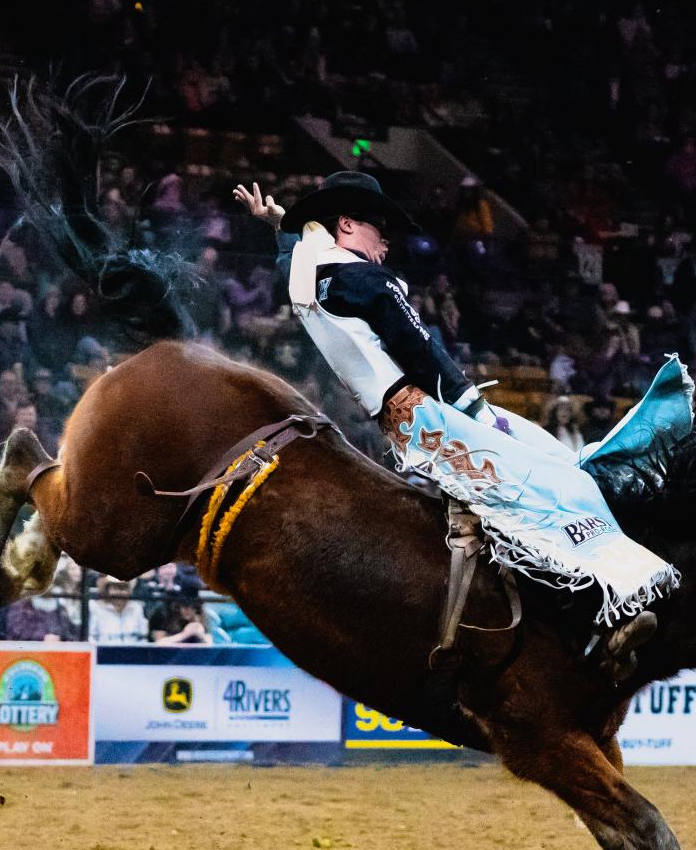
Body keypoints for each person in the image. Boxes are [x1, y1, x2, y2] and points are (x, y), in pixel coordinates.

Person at [238, 174, 672, 677]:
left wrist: (280, 224)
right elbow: (420, 347)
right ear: (347, 225)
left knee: (551, 464)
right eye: (378, 229)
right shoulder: (368, 281)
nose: (386, 242)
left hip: (399, 423)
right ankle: (601, 616)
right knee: (545, 487)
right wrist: (477, 411)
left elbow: (294, 255)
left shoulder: (308, 275)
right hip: (429, 416)